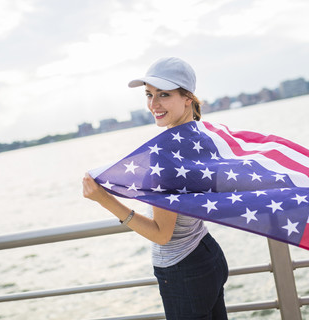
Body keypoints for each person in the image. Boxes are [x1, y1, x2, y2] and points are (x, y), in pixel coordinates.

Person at [82, 57, 229, 319]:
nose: (153, 104)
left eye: (163, 94)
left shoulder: (165, 154)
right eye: (149, 94)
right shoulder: (202, 137)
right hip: (208, 254)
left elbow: (162, 235)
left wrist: (104, 199)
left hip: (184, 270)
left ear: (188, 98)